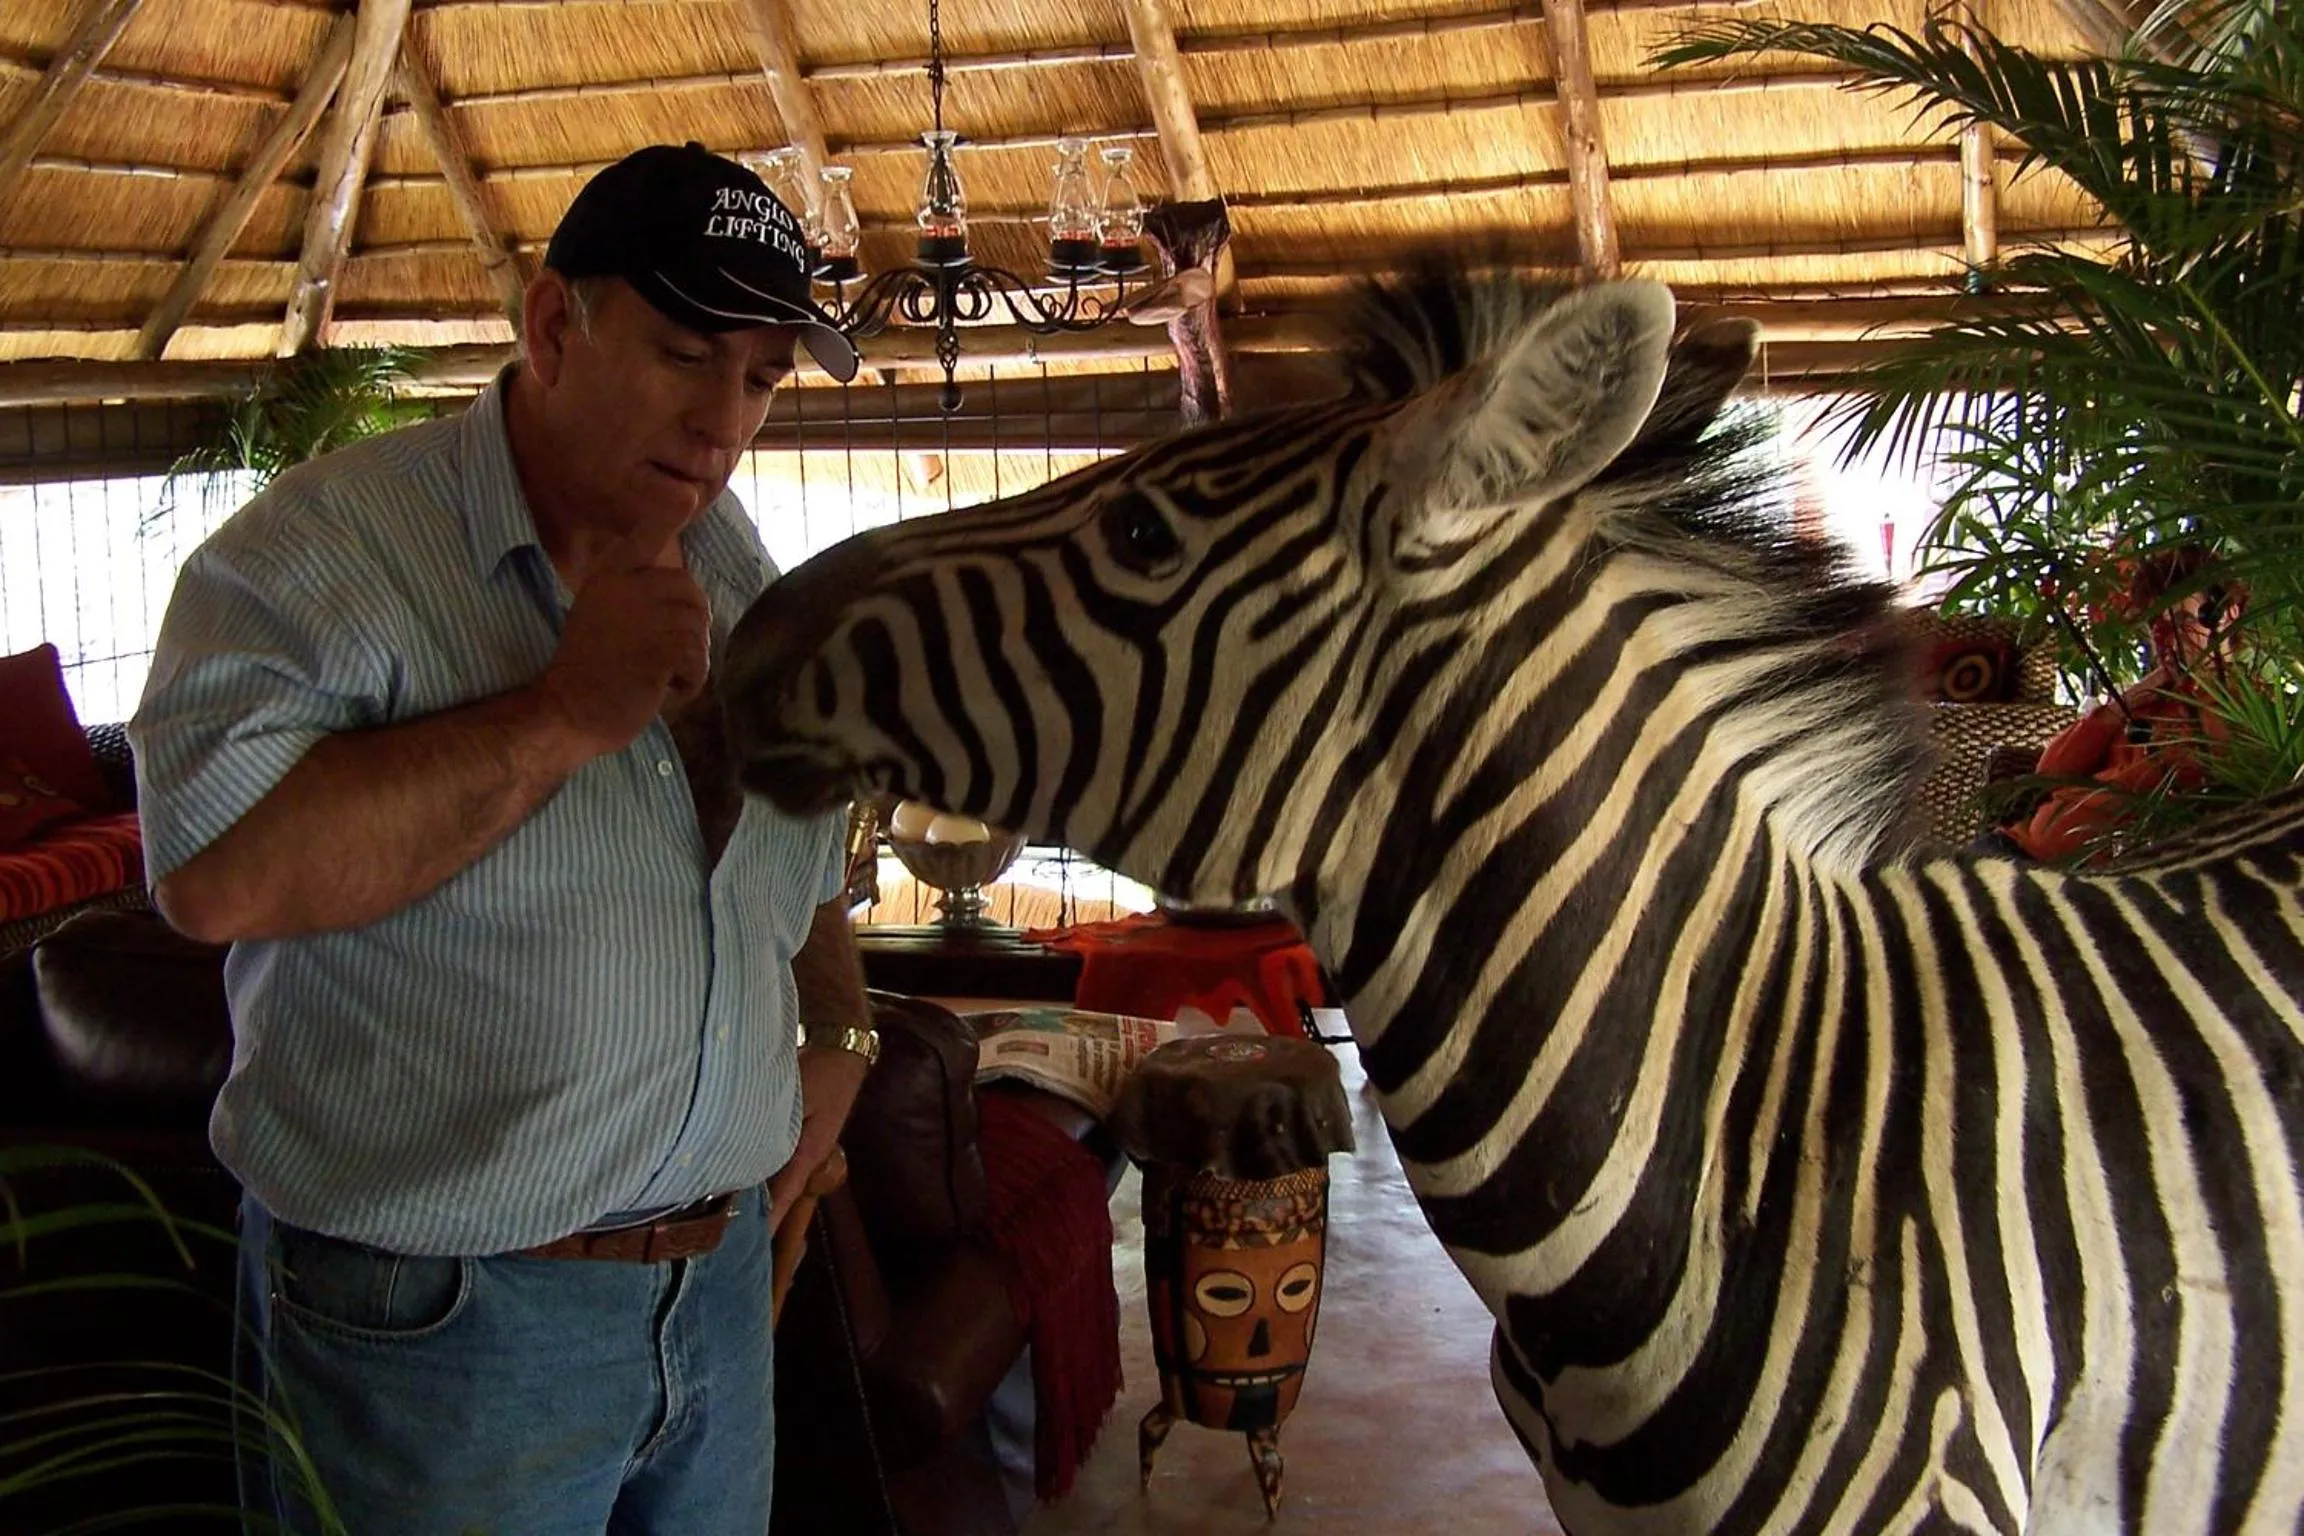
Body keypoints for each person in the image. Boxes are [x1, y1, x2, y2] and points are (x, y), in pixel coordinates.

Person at [129, 143, 875, 1535]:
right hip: (446, 1330)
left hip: (714, 1296)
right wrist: (557, 717)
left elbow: (794, 838)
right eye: (685, 353)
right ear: (551, 325)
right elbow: (217, 875)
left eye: (762, 379)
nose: (724, 422)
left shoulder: (727, 558)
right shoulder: (319, 556)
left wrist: (837, 1028)